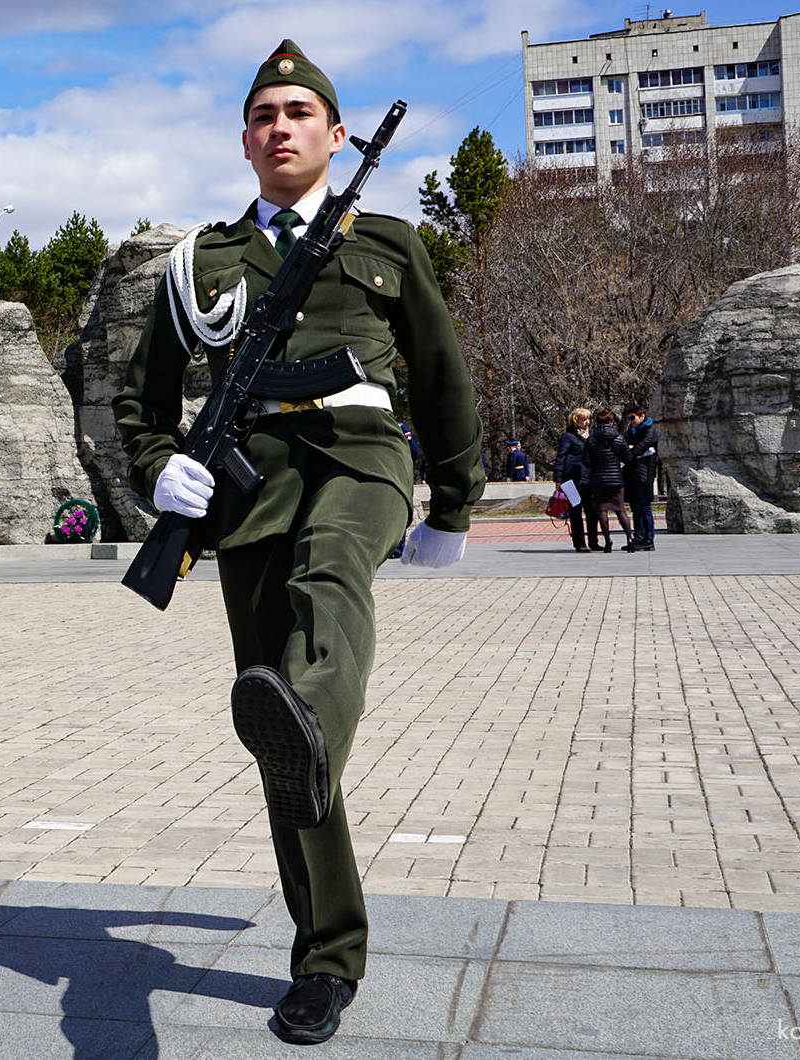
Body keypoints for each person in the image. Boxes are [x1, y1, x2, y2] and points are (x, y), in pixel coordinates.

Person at [113, 43, 482, 1046]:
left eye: (298, 111)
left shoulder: (388, 239)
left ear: (333, 132)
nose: (280, 126)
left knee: (331, 578)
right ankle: (325, 953)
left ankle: (309, 717)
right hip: (246, 491)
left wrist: (452, 498)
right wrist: (159, 470)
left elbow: (441, 375)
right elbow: (137, 403)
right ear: (244, 139)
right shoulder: (200, 261)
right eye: (263, 113)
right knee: (283, 741)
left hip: (359, 456)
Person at [586, 408, 632, 551]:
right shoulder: (619, 438)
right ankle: (630, 539)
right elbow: (628, 458)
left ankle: (607, 541)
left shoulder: (592, 439)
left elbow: (586, 460)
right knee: (620, 510)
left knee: (602, 510)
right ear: (611, 422)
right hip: (616, 479)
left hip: (598, 479)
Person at [554, 409, 595, 553]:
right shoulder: (569, 437)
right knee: (576, 511)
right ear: (576, 421)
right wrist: (558, 478)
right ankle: (579, 542)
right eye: (583, 420)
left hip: (588, 478)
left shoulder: (591, 436)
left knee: (592, 510)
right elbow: (561, 457)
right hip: (572, 479)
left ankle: (593, 541)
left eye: (588, 419)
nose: (587, 422)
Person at [623, 404, 660, 552]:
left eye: (633, 417)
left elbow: (638, 450)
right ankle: (638, 537)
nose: (631, 421)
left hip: (644, 474)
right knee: (636, 508)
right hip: (632, 474)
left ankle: (648, 539)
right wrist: (629, 449)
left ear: (642, 416)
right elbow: (625, 448)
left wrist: (631, 449)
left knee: (644, 508)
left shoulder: (650, 431)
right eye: (629, 418)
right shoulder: (631, 432)